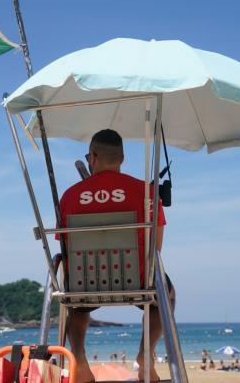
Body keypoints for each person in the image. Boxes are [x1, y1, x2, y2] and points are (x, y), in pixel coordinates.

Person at [59, 129, 172, 383]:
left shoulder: (69, 196)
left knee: (75, 304)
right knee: (167, 294)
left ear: (93, 157)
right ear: (122, 158)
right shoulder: (146, 192)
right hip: (138, 280)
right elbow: (156, 249)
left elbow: (66, 250)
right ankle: (145, 355)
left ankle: (80, 361)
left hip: (84, 282)